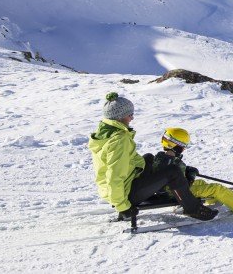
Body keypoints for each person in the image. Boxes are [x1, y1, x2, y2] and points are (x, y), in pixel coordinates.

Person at [88, 92, 218, 221]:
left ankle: (169, 184)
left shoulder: (105, 133)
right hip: (126, 194)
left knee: (149, 158)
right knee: (173, 172)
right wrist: (122, 207)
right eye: (130, 115)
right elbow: (114, 175)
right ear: (119, 117)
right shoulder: (119, 140)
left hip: (119, 186)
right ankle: (193, 209)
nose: (132, 118)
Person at [153, 127, 233, 216]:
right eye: (183, 145)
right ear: (176, 145)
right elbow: (181, 184)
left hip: (168, 191)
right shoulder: (173, 163)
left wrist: (187, 171)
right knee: (217, 188)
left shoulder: (160, 158)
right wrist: (190, 176)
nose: (184, 148)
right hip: (175, 194)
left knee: (201, 183)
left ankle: (213, 202)